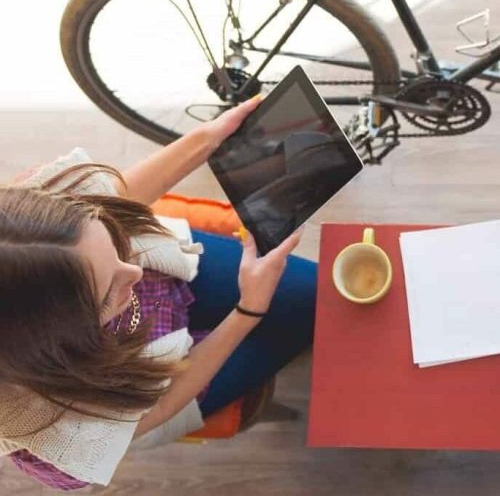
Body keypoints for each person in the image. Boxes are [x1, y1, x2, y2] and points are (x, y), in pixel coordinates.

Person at [0, 95, 317, 490]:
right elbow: (161, 402)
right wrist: (248, 311)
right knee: (303, 322)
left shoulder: (26, 229)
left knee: (317, 296)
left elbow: (117, 197)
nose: (135, 270)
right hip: (163, 384)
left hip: (177, 278)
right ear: (52, 345)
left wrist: (209, 138)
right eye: (107, 293)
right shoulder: (60, 430)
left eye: (113, 243)